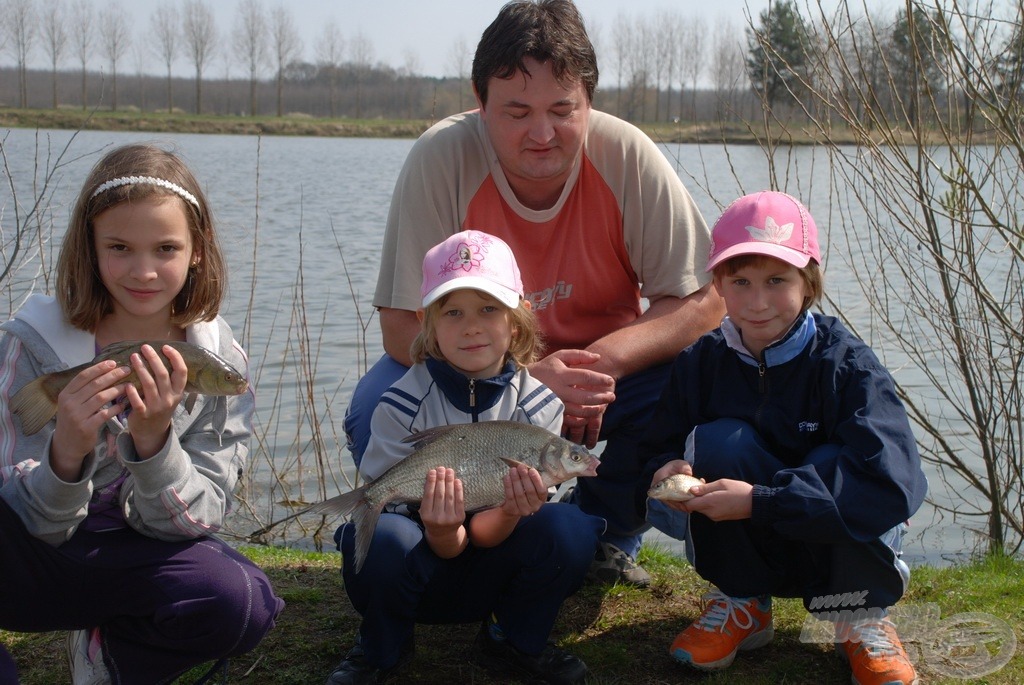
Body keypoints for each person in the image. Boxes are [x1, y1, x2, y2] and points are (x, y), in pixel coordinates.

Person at [344, 0, 723, 588]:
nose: (542, 133)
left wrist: (603, 364)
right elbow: (400, 328)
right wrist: (526, 380)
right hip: (479, 367)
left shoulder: (627, 156)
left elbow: (707, 301)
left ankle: (606, 531)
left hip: (606, 377)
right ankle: (434, 534)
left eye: (563, 110)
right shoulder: (441, 158)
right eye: (517, 111)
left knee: (694, 393)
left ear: (590, 100)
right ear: (480, 98)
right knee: (375, 409)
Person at [0, 144, 284, 684]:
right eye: (120, 247)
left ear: (197, 250)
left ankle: (111, 656)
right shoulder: (30, 347)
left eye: (166, 248)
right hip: (36, 559)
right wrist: (66, 451)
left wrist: (154, 445)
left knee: (243, 601)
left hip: (139, 553)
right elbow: (28, 523)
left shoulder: (219, 361)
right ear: (90, 246)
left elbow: (197, 521)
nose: (144, 271)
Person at [638, 191, 928, 685]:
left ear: (808, 282)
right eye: (741, 281)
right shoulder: (700, 361)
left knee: (833, 457)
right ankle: (743, 604)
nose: (757, 301)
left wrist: (762, 501)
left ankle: (859, 618)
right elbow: (656, 443)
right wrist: (667, 466)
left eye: (777, 280)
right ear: (719, 285)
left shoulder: (849, 366)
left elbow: (893, 483)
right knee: (717, 441)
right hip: (749, 538)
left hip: (828, 542)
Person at [327, 230, 603, 685]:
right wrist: (439, 528)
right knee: (383, 539)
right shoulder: (399, 406)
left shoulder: (541, 409)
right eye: (453, 312)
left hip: (496, 566)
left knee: (569, 528)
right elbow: (429, 537)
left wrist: (513, 510)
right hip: (422, 568)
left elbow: (490, 534)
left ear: (517, 318)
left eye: (488, 309)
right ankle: (384, 647)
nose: (471, 326)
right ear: (427, 322)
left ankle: (513, 637)